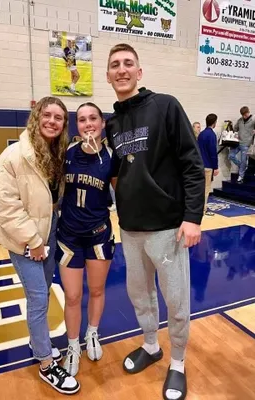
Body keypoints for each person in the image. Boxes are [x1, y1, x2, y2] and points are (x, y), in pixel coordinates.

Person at [105, 43, 205, 400]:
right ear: (107, 75)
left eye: (128, 63)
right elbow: (115, 173)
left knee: (175, 300)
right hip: (130, 229)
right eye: (115, 65)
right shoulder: (112, 122)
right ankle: (151, 345)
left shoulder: (165, 106)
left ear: (139, 71)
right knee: (140, 297)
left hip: (167, 227)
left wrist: (192, 217)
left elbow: (192, 165)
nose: (122, 70)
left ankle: (177, 362)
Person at [0, 96, 80, 395]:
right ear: (36, 117)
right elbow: (6, 207)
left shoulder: (56, 153)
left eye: (59, 118)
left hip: (49, 229)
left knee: (43, 289)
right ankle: (45, 363)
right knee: (39, 298)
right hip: (24, 237)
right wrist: (34, 241)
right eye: (48, 115)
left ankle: (36, 342)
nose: (52, 121)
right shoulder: (13, 156)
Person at [56, 102, 116, 377]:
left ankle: (92, 333)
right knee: (72, 296)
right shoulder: (66, 153)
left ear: (102, 123)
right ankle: (72, 346)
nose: (88, 123)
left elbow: (124, 194)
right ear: (76, 125)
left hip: (99, 236)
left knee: (97, 290)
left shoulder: (112, 157)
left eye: (93, 118)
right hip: (68, 237)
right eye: (82, 119)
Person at [198, 114, 219, 216]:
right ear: (214, 123)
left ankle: (197, 208)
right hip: (208, 165)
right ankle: (203, 209)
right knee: (206, 189)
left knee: (199, 188)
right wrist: (215, 167)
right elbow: (213, 152)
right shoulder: (212, 135)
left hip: (199, 165)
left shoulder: (201, 134)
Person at [229, 106, 255, 183]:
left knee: (244, 160)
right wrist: (235, 133)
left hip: (246, 144)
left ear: (248, 112)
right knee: (231, 155)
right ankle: (242, 166)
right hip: (238, 143)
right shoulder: (240, 120)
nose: (244, 116)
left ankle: (241, 176)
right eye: (243, 115)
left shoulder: (253, 120)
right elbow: (235, 128)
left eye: (245, 114)